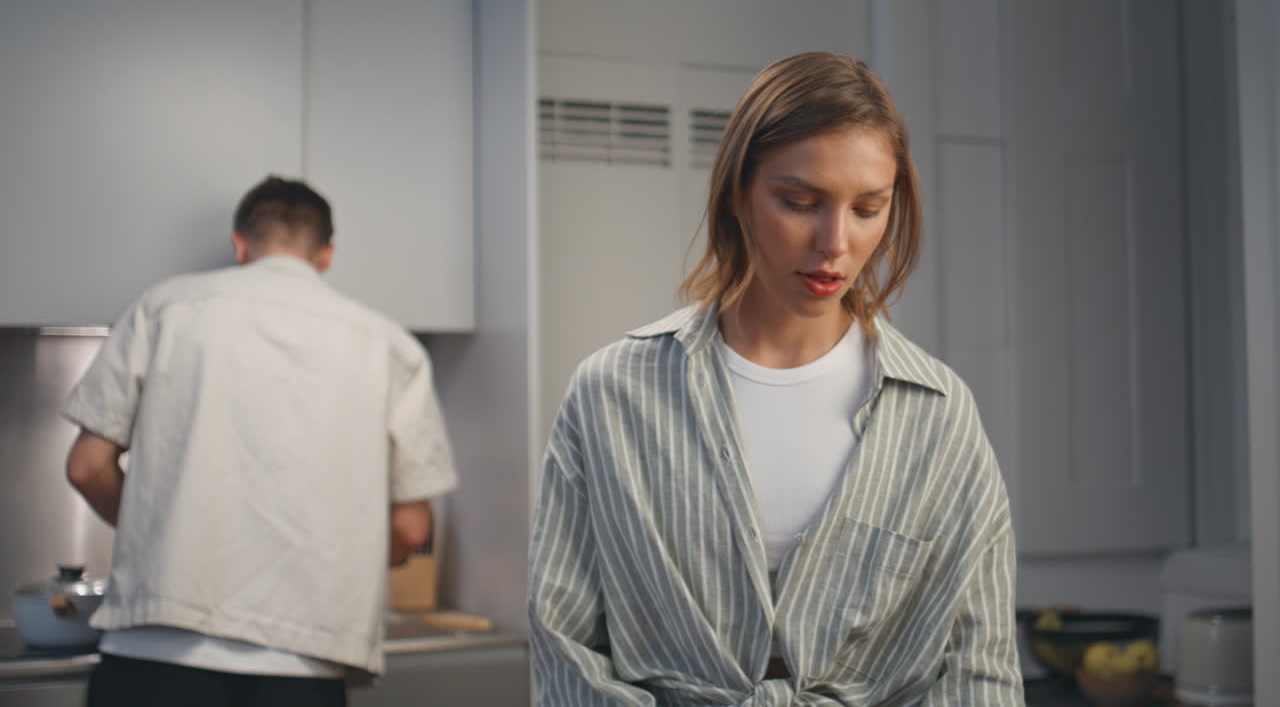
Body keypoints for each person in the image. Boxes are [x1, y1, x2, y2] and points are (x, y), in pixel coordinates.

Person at [528, 52, 1023, 705]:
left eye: (868, 208)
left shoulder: (937, 413)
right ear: (737, 194)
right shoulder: (613, 393)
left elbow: (978, 666)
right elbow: (565, 646)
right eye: (799, 202)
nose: (834, 242)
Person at [62, 176, 458, 707]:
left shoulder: (165, 309)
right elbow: (411, 526)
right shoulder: (391, 346)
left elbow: (87, 467)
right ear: (326, 255)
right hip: (304, 663)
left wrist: (156, 531)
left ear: (240, 243)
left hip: (153, 650)